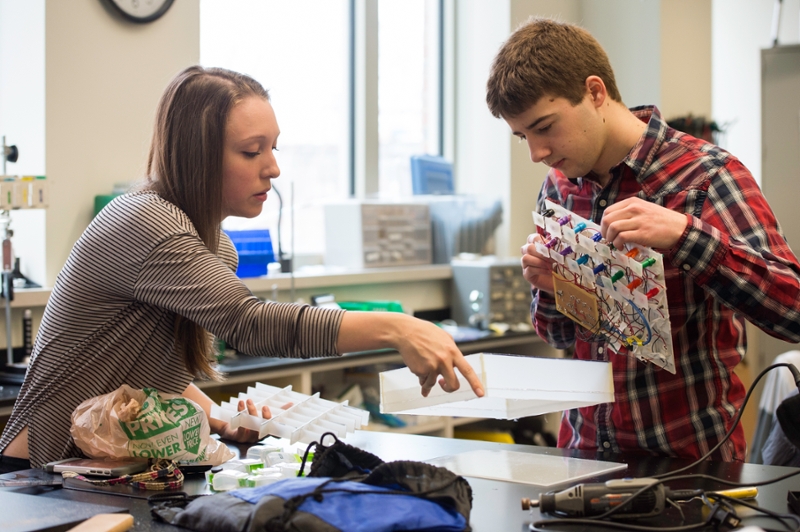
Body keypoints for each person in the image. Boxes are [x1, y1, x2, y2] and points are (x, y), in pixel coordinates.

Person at [0, 66, 484, 472]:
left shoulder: (218, 249)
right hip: (40, 473)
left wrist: (218, 418)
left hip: (109, 470)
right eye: (253, 151)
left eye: (274, 148)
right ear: (199, 156)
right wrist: (397, 327)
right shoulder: (145, 220)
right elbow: (250, 323)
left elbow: (152, 373)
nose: (272, 168)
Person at [485, 18, 800, 461]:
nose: (537, 153)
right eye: (523, 137)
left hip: (689, 465)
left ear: (595, 93)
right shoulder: (559, 187)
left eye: (544, 127)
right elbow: (558, 336)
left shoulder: (706, 175)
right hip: (581, 458)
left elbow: (793, 310)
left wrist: (686, 236)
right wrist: (553, 289)